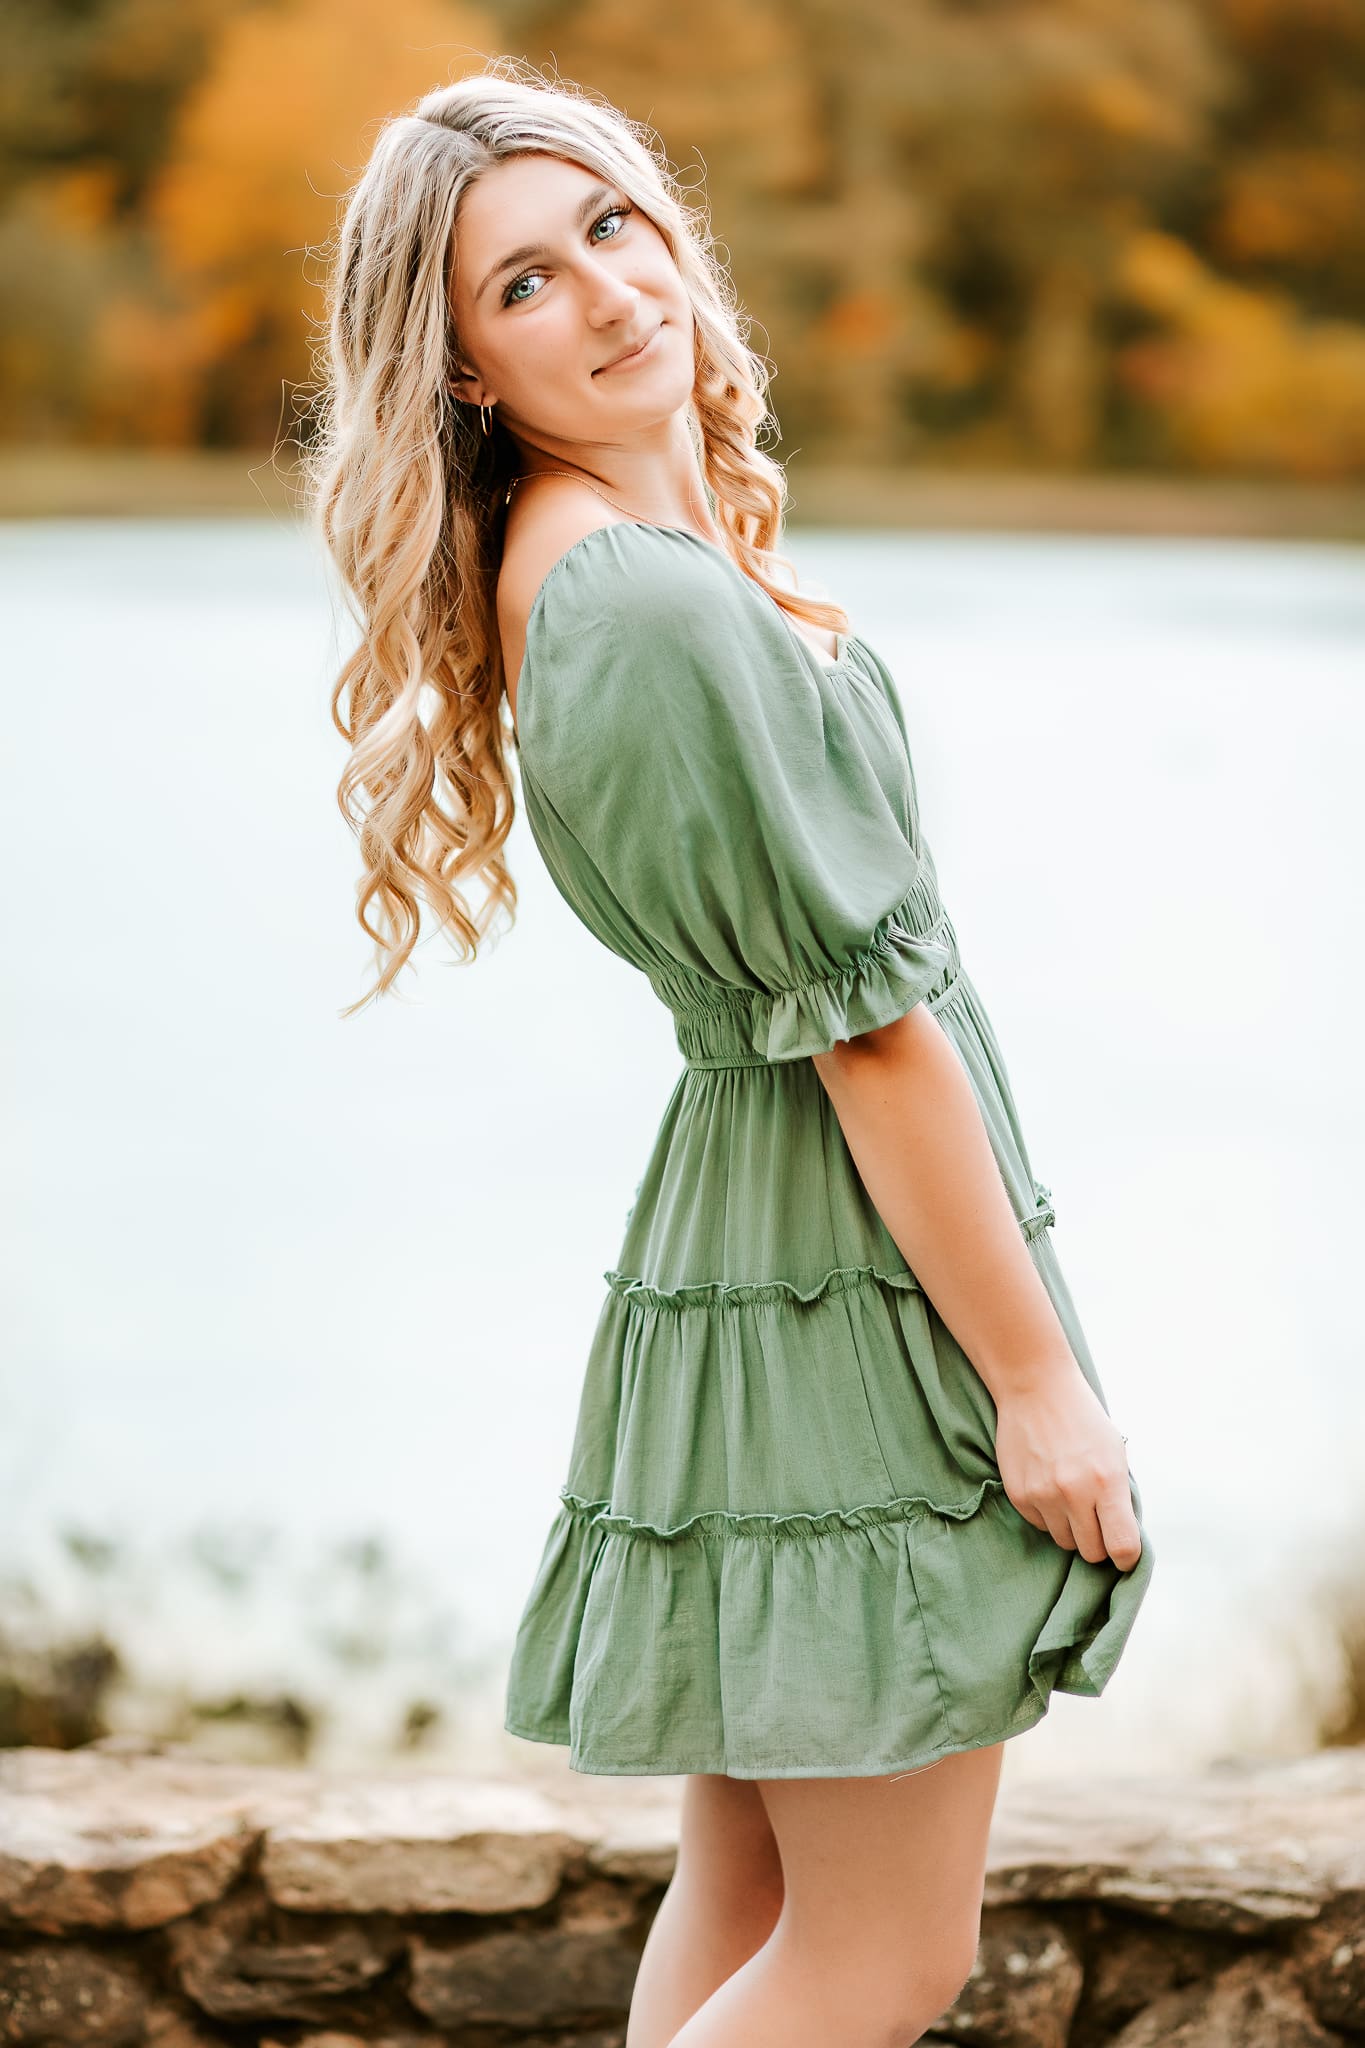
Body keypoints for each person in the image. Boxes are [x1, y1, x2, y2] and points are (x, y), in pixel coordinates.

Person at [307, 57, 1155, 2048]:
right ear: (457, 378)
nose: (604, 292)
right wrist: (1033, 1384)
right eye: (521, 285)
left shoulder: (616, 563)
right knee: (885, 1952)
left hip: (761, 1248)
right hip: (840, 1277)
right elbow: (863, 1028)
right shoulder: (639, 601)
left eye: (610, 224)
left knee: (758, 1883)